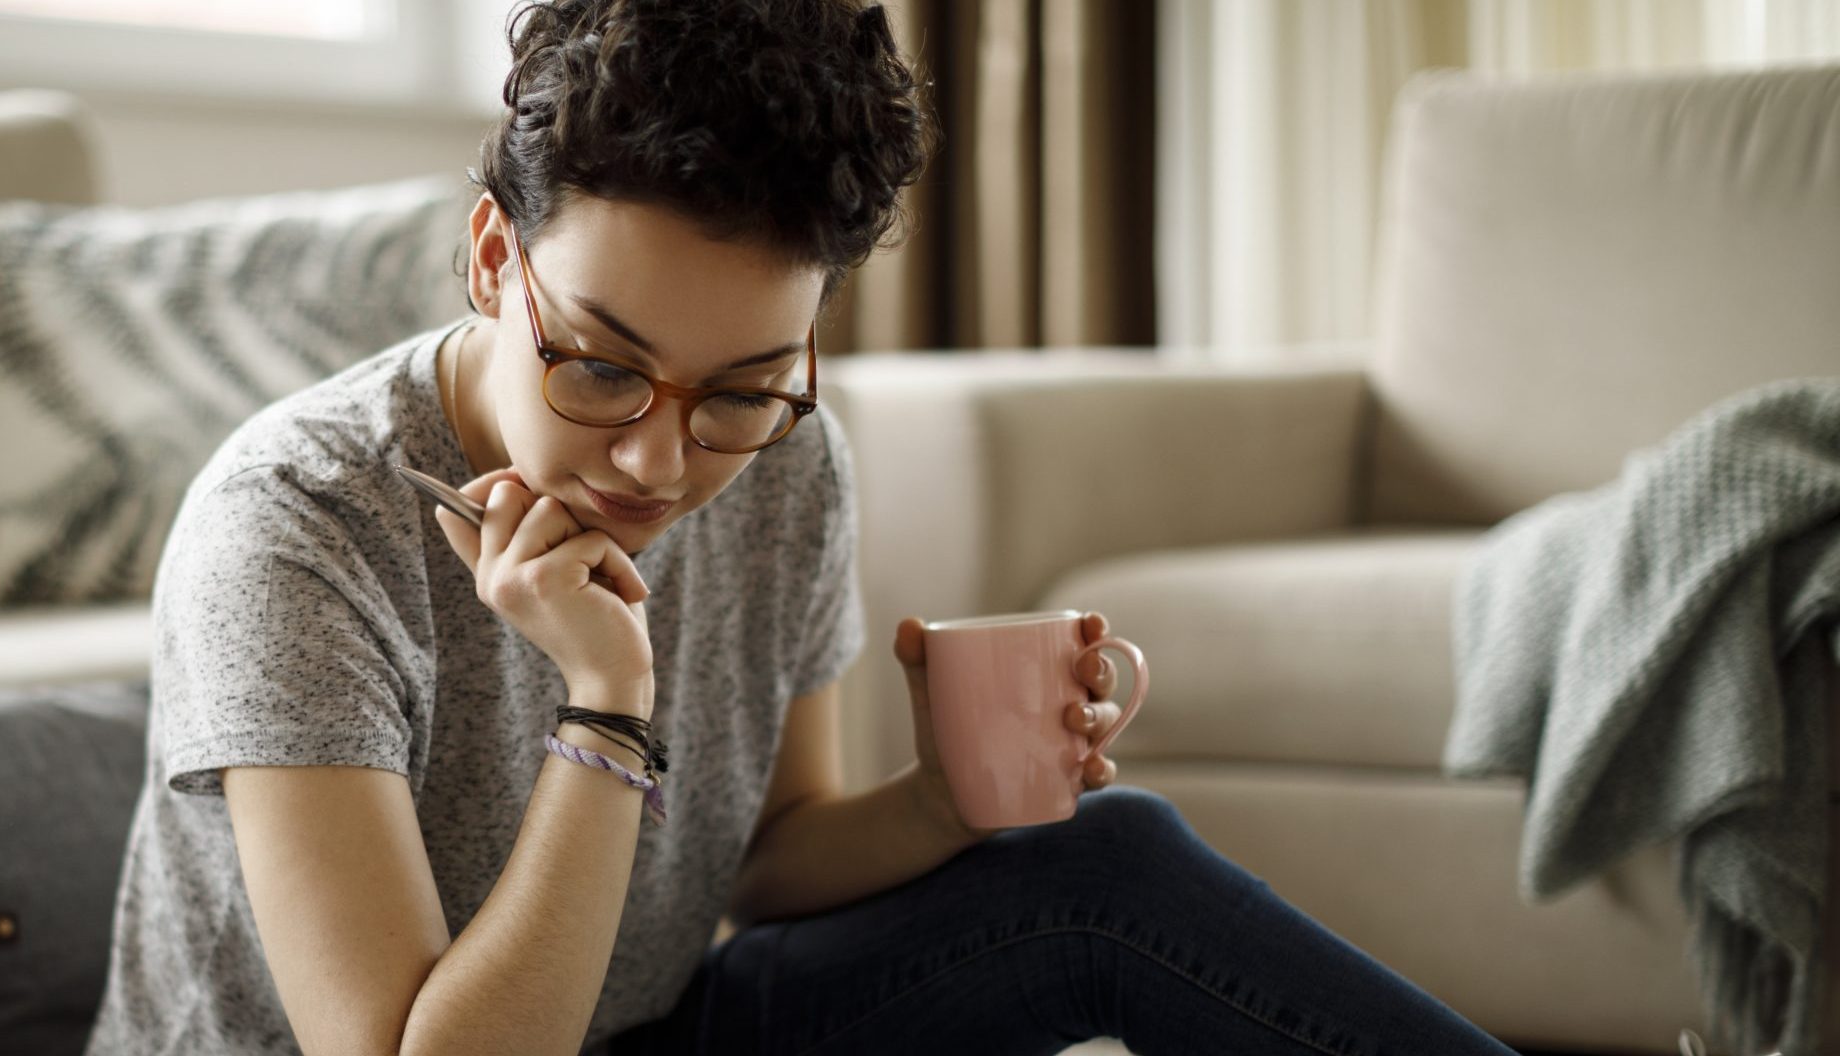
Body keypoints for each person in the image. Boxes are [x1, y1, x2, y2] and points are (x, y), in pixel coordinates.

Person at [83, 2, 1524, 1053]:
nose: (659, 456)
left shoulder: (785, 458)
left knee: (1106, 865)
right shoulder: (297, 526)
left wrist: (941, 809)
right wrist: (608, 708)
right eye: (600, 363)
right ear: (490, 258)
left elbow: (767, 859)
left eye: (743, 387)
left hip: (652, 1028)